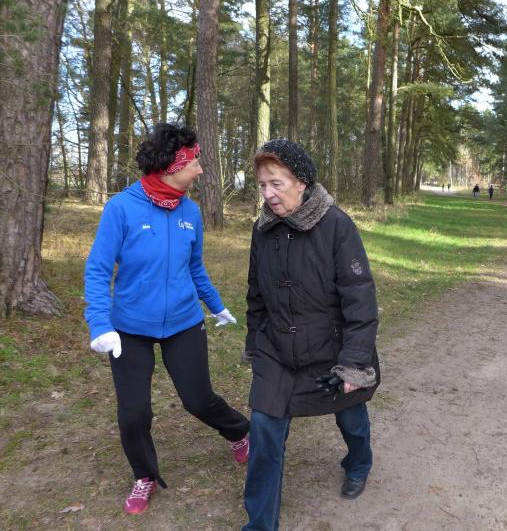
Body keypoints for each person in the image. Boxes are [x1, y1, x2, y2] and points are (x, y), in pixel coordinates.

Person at [84, 123, 250, 515]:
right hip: (129, 329)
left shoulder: (190, 211)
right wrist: (100, 324)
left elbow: (195, 267)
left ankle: (241, 433)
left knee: (198, 399)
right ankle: (144, 474)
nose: (201, 170)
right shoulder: (121, 208)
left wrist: (215, 304)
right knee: (134, 412)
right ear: (172, 166)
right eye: (195, 162)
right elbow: (97, 270)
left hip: (183, 321)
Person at [242, 139, 381, 530]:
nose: (268, 194)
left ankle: (358, 464)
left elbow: (360, 297)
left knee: (351, 419)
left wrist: (354, 363)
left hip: (329, 350)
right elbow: (256, 294)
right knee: (264, 430)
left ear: (301, 182)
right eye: (262, 185)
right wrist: (255, 344)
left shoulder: (336, 226)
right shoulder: (262, 230)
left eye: (276, 183)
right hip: (276, 350)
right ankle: (260, 525)